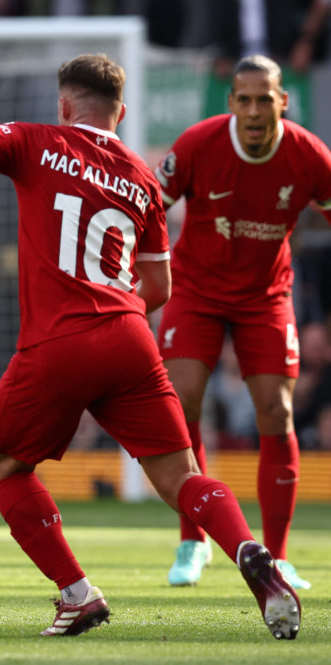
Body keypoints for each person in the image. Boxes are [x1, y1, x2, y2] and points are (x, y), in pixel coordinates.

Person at [0, 53, 301, 640]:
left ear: (63, 105)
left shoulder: (35, 141)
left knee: (3, 464)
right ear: (120, 113)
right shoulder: (143, 177)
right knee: (182, 476)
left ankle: (78, 594)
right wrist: (116, 319)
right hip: (130, 337)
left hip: (58, 340)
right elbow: (160, 286)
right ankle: (250, 550)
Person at [154, 54, 331, 590]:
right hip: (196, 290)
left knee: (276, 413)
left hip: (265, 297)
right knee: (182, 402)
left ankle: (275, 557)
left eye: (265, 99)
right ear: (231, 104)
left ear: (283, 101)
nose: (254, 110)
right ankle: (193, 540)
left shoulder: (309, 157)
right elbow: (150, 210)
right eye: (244, 99)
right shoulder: (197, 144)